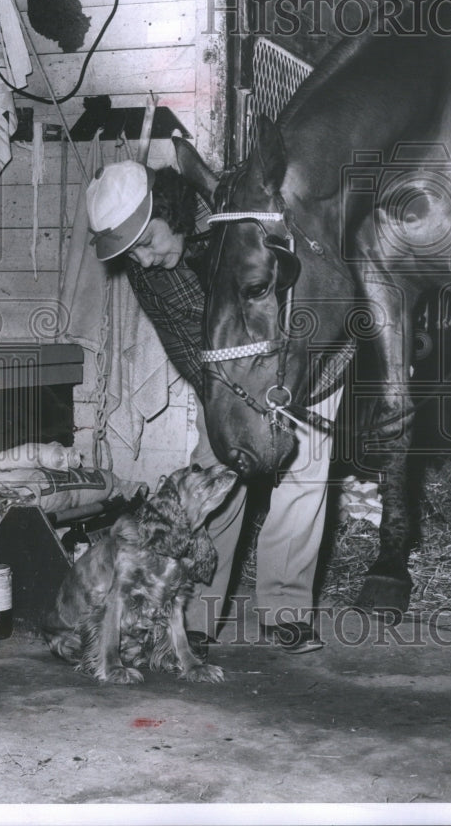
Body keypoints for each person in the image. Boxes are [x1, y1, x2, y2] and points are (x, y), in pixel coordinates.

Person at [85, 159, 342, 655]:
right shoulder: (150, 274)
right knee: (212, 479)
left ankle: (285, 610)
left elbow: (315, 287)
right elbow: (185, 344)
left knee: (304, 475)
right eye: (129, 253)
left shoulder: (242, 213)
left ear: (169, 211)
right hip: (224, 377)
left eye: (145, 241)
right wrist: (225, 405)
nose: (140, 260)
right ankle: (197, 611)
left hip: (307, 356)